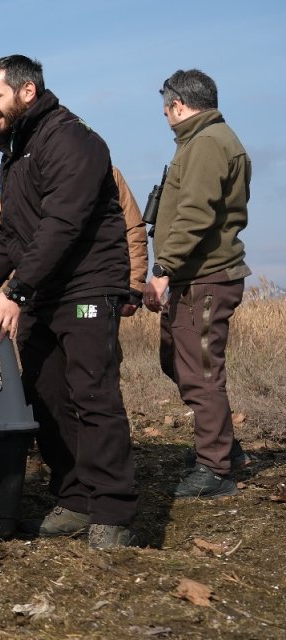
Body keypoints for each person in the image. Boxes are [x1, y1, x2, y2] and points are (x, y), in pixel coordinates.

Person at [0, 55, 136, 550]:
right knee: (45, 394)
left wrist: (16, 291)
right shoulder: (15, 150)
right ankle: (75, 499)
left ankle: (113, 509)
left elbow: (62, 224)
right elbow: (11, 235)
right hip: (43, 292)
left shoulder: (71, 139)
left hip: (87, 288)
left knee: (92, 394)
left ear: (27, 92)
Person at [143, 69, 253, 498]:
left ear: (179, 106)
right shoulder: (202, 141)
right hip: (195, 276)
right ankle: (223, 445)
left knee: (202, 372)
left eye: (166, 109)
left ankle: (216, 470)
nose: (166, 117)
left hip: (205, 277)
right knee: (177, 361)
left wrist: (162, 269)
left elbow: (196, 214)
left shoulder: (207, 144)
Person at [0, 166, 149, 317]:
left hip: (87, 296)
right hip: (31, 299)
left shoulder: (103, 170)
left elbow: (132, 229)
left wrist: (134, 288)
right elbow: (2, 243)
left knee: (90, 345)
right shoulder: (16, 180)